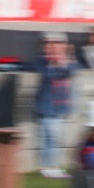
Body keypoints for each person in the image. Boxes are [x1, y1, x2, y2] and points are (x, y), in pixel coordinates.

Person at [33, 32, 78, 179]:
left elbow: (72, 71)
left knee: (54, 138)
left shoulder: (69, 61)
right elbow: (49, 75)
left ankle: (51, 167)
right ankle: (49, 167)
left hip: (60, 107)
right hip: (47, 107)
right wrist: (57, 62)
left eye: (58, 43)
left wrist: (64, 59)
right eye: (49, 43)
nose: (53, 47)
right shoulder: (42, 61)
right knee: (51, 138)